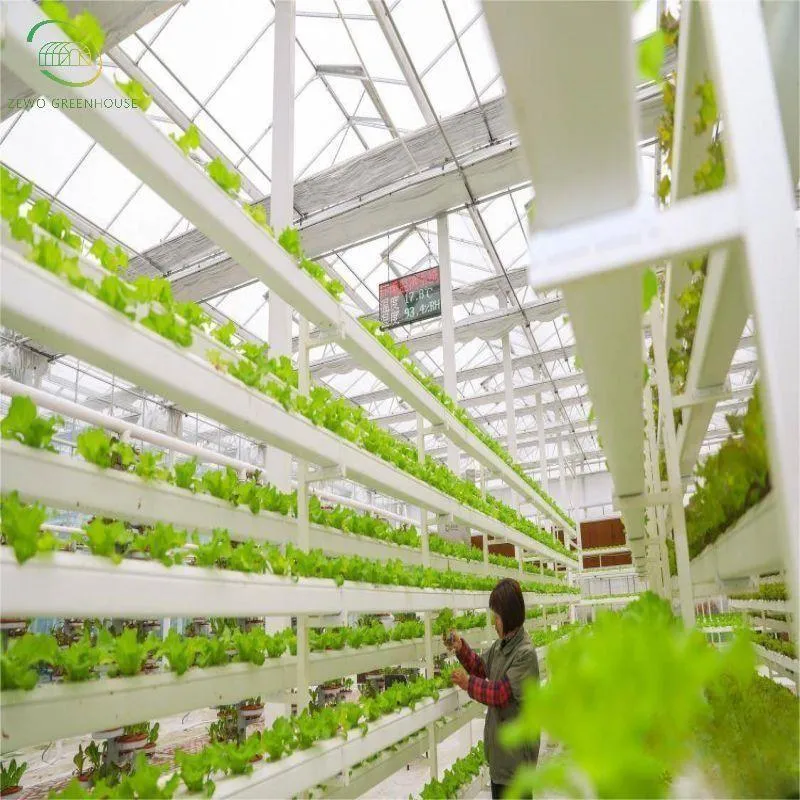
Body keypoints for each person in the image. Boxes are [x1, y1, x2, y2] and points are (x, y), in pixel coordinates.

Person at [444, 577, 540, 799]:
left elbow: (500, 693)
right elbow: (480, 666)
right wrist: (461, 648)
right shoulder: (501, 646)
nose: (494, 622)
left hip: (516, 762)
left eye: (496, 617)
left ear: (508, 616)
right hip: (502, 760)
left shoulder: (525, 653)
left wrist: (468, 684)